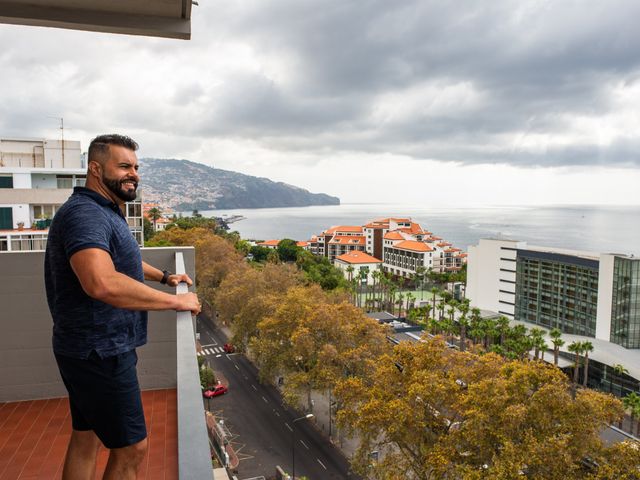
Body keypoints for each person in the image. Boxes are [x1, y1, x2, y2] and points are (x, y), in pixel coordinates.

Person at [44, 134, 201, 480]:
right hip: (98, 352)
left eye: (136, 167)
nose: (134, 174)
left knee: (86, 438)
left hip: (88, 348)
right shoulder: (85, 215)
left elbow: (121, 262)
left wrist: (165, 277)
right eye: (125, 166)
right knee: (132, 448)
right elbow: (101, 281)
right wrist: (175, 304)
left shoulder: (103, 210)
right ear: (96, 169)